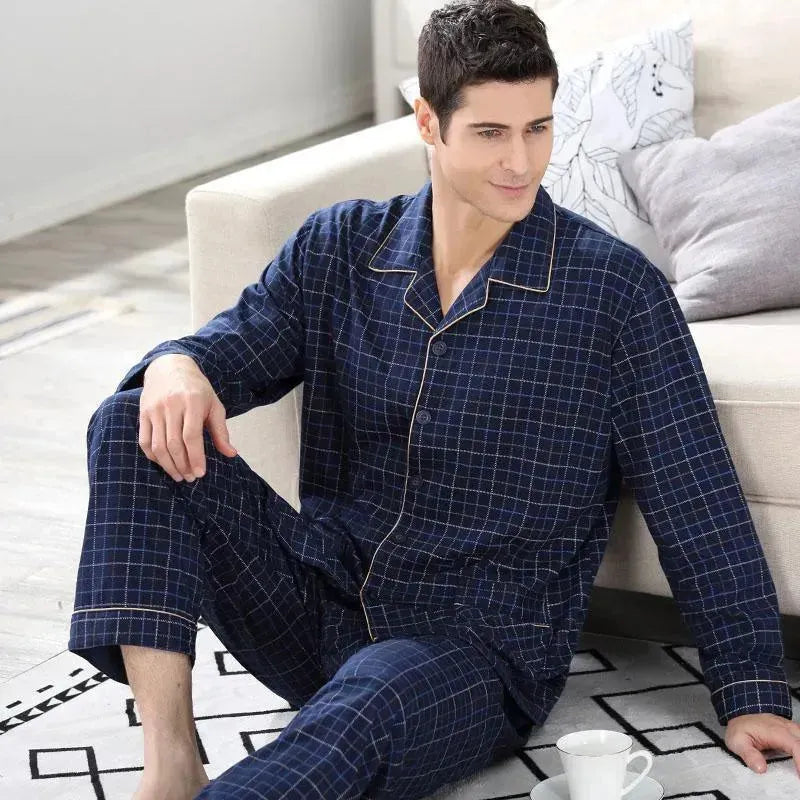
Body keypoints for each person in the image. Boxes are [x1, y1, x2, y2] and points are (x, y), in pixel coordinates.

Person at [67, 1, 800, 797]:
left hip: (471, 652)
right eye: (490, 133)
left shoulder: (613, 293)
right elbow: (232, 349)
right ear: (428, 121)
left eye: (538, 128)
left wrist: (751, 691)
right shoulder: (341, 246)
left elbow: (696, 497)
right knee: (133, 418)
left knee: (358, 717)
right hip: (319, 601)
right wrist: (179, 362)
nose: (521, 161)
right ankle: (172, 760)